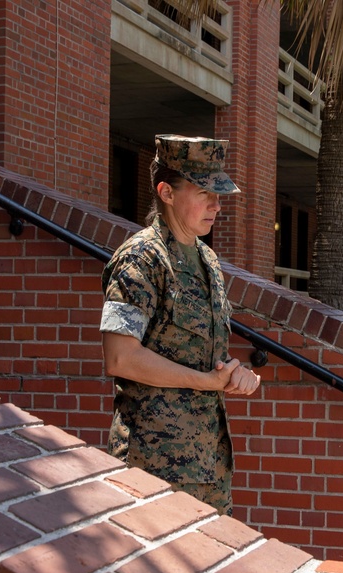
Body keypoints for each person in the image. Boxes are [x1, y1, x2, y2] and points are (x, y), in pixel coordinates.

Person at [99, 134, 260, 516]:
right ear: (166, 192)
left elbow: (204, 355)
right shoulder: (141, 259)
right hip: (152, 466)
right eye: (205, 192)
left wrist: (238, 375)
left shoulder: (207, 259)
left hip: (209, 466)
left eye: (219, 194)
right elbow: (120, 358)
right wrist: (204, 381)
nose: (217, 205)